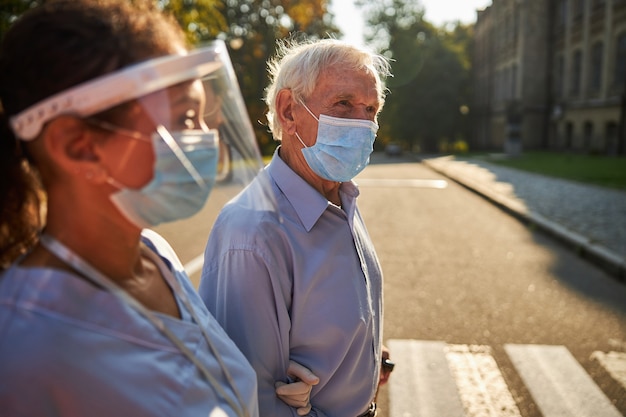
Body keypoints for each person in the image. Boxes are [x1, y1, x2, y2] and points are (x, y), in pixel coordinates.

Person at [0, 1, 317, 415]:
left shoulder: (154, 253)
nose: (207, 138)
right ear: (78, 146)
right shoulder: (25, 350)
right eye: (186, 118)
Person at [199, 38, 394, 417]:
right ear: (288, 111)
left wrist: (363, 356)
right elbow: (250, 399)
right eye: (343, 104)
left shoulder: (340, 195)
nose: (363, 123)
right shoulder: (252, 232)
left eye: (371, 109)